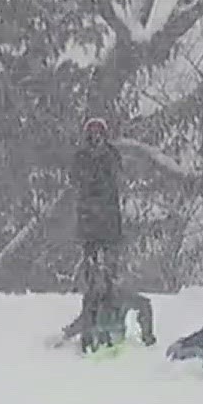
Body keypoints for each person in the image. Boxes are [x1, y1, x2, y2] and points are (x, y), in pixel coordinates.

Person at [69, 116, 155, 350]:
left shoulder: (111, 155)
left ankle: (110, 312)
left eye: (99, 132)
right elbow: (77, 180)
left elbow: (115, 178)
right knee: (92, 276)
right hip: (90, 227)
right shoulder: (81, 157)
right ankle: (91, 322)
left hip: (108, 226)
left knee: (110, 274)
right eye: (92, 132)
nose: (95, 136)